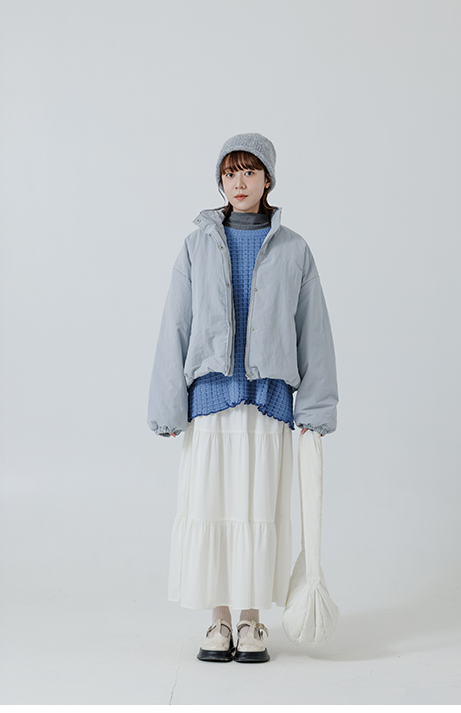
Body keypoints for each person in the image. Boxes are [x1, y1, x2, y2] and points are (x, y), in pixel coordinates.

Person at [147, 132, 338, 664]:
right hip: (211, 400)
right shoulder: (196, 246)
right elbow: (175, 325)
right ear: (220, 182)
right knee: (212, 506)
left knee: (257, 509)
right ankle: (219, 620)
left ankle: (251, 621)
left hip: (267, 400)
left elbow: (313, 331)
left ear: (267, 179)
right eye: (230, 173)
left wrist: (316, 408)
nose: (239, 182)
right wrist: (167, 406)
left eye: (249, 172)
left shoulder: (295, 249)